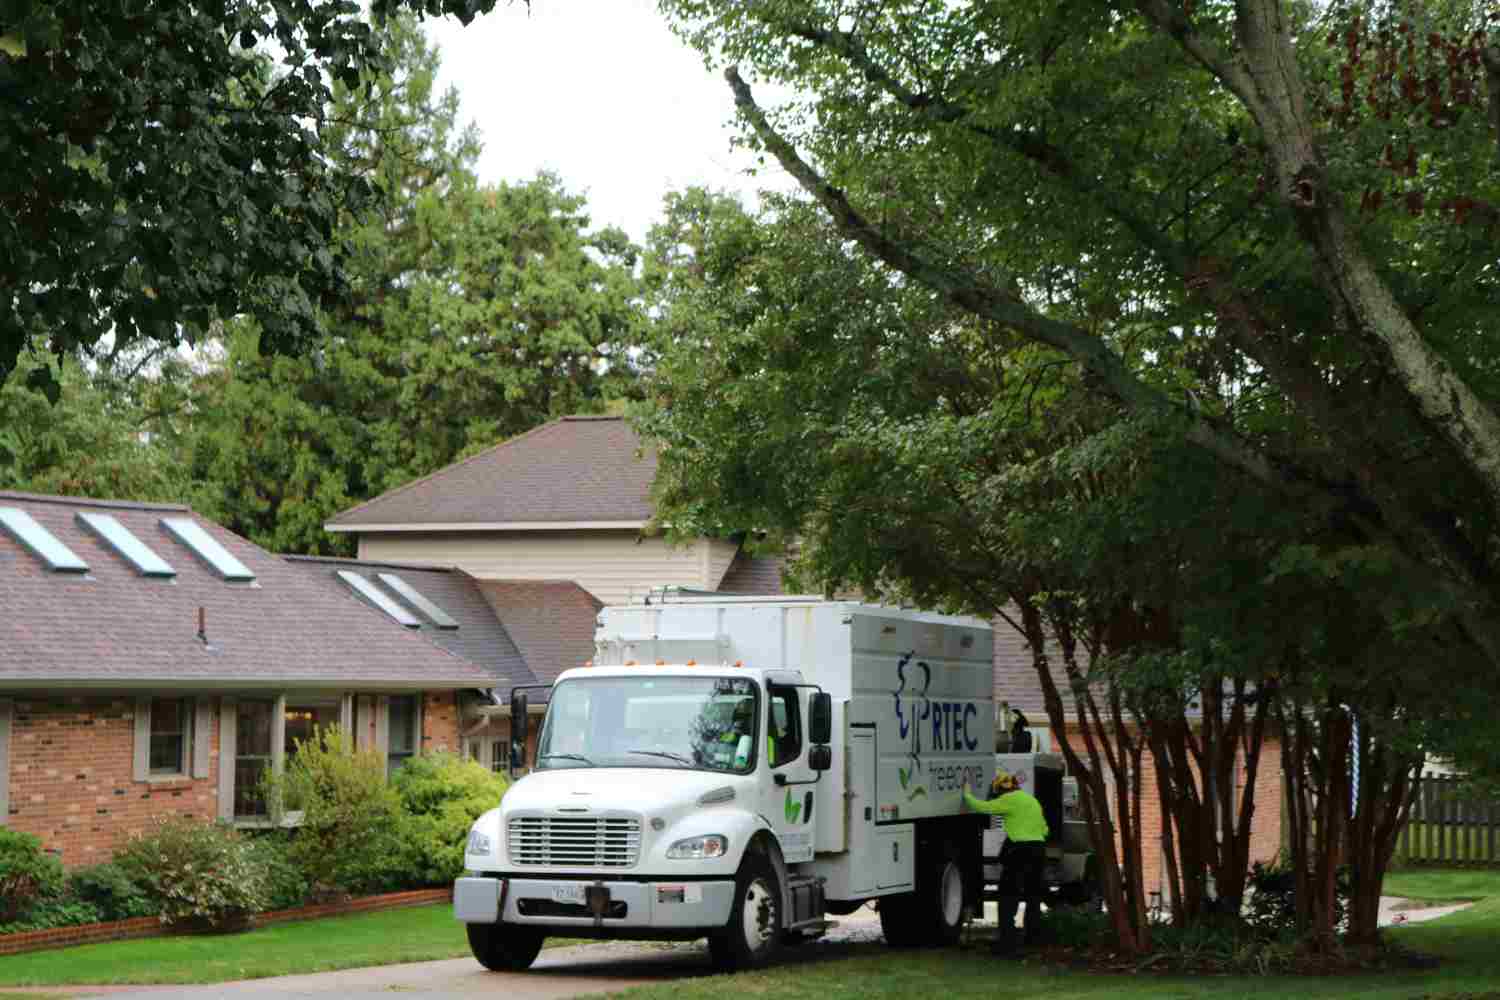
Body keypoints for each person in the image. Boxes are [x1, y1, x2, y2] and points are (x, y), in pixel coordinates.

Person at [963, 771, 1049, 955]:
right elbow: (1045, 829)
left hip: (1020, 851)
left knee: (1008, 896)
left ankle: (1008, 942)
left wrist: (967, 794)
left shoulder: (1008, 799)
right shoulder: (1032, 800)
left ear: (1000, 789)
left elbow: (982, 807)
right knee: (1033, 896)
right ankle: (1033, 938)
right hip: (1039, 849)